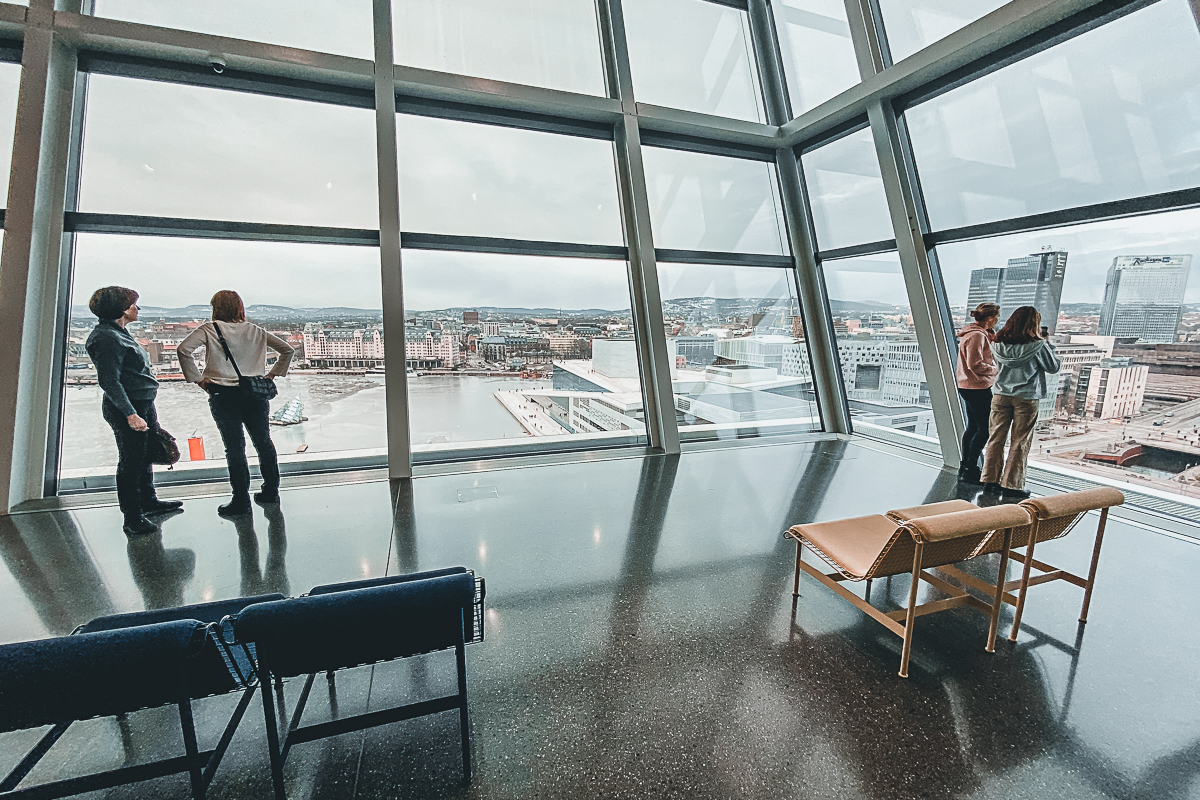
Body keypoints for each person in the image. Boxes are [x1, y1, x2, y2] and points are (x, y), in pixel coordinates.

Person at [178, 290, 295, 516]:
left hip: (223, 394)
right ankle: (271, 491)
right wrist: (271, 375)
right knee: (264, 442)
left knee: (234, 448)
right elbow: (287, 350)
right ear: (240, 307)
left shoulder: (210, 329)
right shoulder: (256, 331)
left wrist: (199, 380)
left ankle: (240, 500)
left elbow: (184, 350)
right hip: (254, 392)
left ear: (216, 308)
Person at [85, 286, 183, 536]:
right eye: (133, 304)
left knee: (144, 455)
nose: (137, 308)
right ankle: (132, 517)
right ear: (121, 308)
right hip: (128, 408)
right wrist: (130, 413)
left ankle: (148, 503)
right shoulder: (107, 338)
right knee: (131, 462)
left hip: (141, 404)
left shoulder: (119, 333)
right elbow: (110, 381)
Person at [981, 306, 1061, 499]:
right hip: (1026, 396)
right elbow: (1053, 367)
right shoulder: (1038, 345)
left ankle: (989, 481)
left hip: (1000, 394)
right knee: (1020, 441)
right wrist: (1048, 343)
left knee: (995, 438)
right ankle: (1011, 484)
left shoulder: (998, 343)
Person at [955, 302, 1000, 485]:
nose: (997, 321)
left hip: (967, 385)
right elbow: (975, 364)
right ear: (990, 318)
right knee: (984, 429)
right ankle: (970, 469)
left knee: (974, 427)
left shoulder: (971, 333)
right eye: (996, 317)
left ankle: (966, 467)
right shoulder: (976, 336)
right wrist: (994, 370)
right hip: (977, 386)